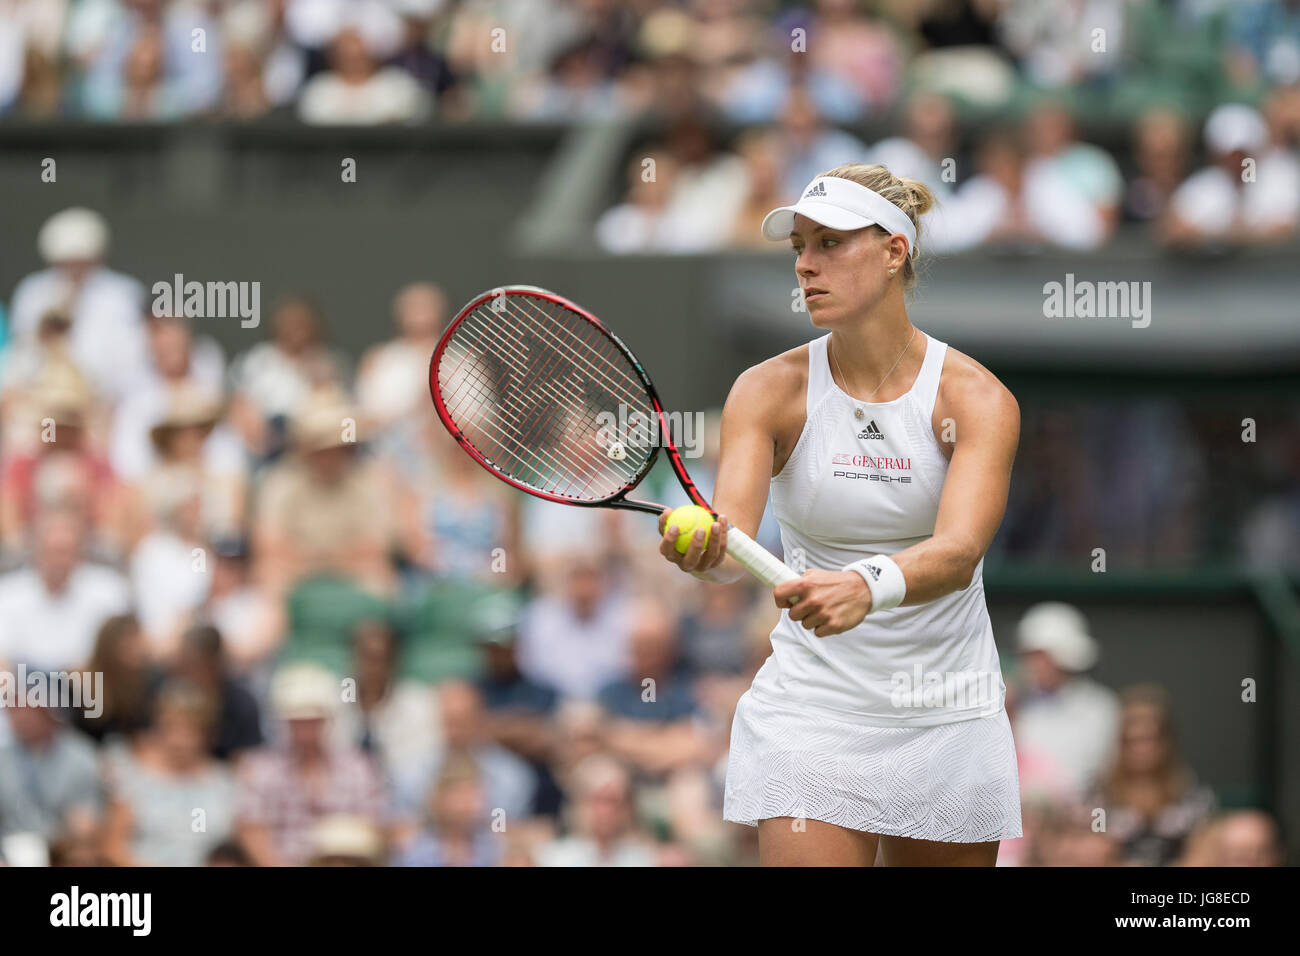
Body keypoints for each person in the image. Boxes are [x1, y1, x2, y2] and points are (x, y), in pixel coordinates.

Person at [657, 163, 1022, 866]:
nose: (805, 265)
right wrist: (702, 555)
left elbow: (959, 551)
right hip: (812, 709)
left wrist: (863, 584)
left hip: (947, 711)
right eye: (800, 246)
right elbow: (728, 536)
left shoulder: (976, 399)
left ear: (894, 251)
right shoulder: (765, 391)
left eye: (831, 244)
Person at [1011, 602, 1121, 799]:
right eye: (1028, 655)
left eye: (1040, 656)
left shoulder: (1101, 708)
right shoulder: (1012, 705)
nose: (1033, 664)